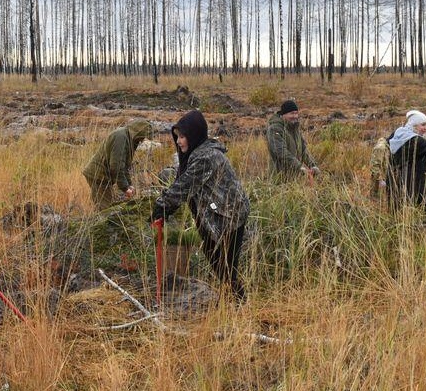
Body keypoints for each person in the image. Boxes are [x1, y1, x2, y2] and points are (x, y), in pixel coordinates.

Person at [150, 110, 250, 301]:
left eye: (182, 136)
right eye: (177, 136)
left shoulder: (206, 157)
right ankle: (233, 301)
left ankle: (238, 303)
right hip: (217, 213)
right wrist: (168, 207)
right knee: (217, 259)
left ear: (194, 135)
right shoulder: (194, 154)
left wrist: (162, 205)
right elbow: (182, 183)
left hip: (230, 215)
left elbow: (185, 186)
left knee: (225, 266)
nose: (178, 141)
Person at [83, 119, 153, 209]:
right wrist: (125, 188)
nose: (142, 140)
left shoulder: (129, 138)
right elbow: (116, 166)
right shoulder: (121, 137)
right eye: (143, 137)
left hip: (103, 176)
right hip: (98, 175)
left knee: (106, 205)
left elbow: (124, 166)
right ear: (138, 132)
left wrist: (129, 185)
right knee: (105, 209)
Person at [387, 110, 426, 208]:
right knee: (406, 209)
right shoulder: (413, 140)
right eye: (423, 125)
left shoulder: (399, 134)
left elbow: (422, 157)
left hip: (403, 184)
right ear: (414, 125)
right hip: (406, 185)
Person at [265, 100, 320, 181]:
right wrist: (299, 167)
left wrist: (312, 165)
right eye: (291, 113)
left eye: (296, 113)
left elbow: (303, 150)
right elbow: (281, 152)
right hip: (279, 178)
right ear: (283, 114)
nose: (294, 116)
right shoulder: (274, 129)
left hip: (295, 179)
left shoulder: (295, 129)